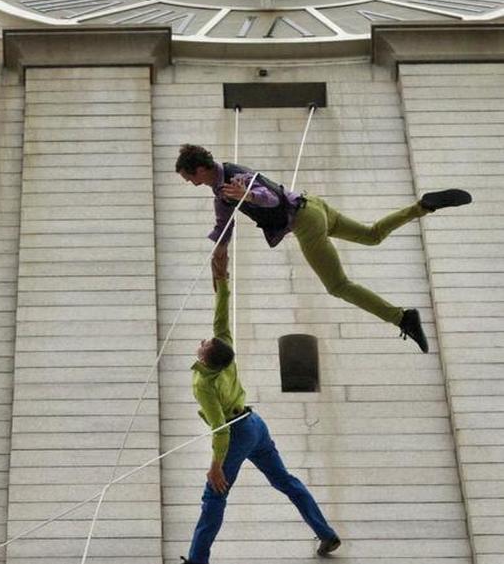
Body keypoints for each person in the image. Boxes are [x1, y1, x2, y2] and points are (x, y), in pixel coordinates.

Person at [175, 143, 472, 353]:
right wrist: (219, 249)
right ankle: (422, 207)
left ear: (200, 169)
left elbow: (270, 199)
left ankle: (402, 318)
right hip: (314, 205)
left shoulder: (233, 178)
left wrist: (248, 195)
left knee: (338, 285)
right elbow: (224, 224)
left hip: (304, 221)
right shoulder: (222, 189)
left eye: (190, 178)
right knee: (371, 235)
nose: (190, 183)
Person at [183, 255, 341, 564]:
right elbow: (221, 317)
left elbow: (221, 429)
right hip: (256, 425)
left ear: (205, 360)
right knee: (284, 480)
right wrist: (222, 278)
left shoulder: (204, 384)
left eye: (204, 345)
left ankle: (197, 560)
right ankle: (325, 532)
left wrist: (216, 465)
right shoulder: (225, 352)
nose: (203, 341)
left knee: (213, 497)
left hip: (236, 433)